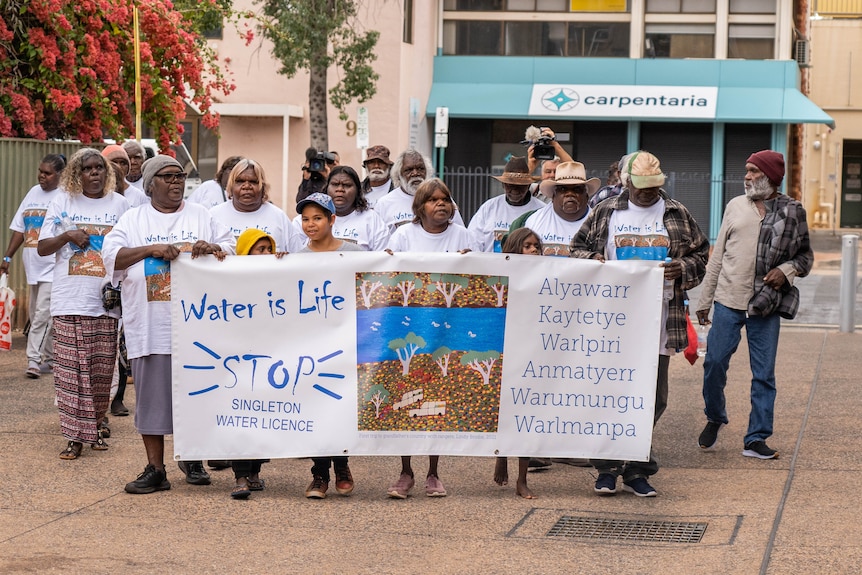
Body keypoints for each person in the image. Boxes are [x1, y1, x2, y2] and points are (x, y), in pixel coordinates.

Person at [570, 150, 709, 497]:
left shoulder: (676, 212)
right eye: (641, 187)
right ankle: (607, 469)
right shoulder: (606, 211)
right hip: (612, 323)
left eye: (653, 188)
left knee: (653, 398)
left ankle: (636, 469)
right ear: (627, 181)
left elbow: (701, 254)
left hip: (661, 320)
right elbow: (577, 250)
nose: (647, 194)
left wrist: (683, 268)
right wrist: (596, 261)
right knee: (610, 396)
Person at [102, 154, 234, 494]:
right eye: (168, 176)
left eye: (180, 176)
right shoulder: (133, 219)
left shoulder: (203, 216)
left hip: (200, 327)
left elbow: (233, 249)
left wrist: (215, 247)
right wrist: (150, 250)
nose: (176, 182)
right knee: (153, 400)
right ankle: (156, 469)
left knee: (201, 396)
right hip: (152, 326)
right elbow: (111, 257)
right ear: (150, 184)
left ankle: (193, 458)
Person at [695, 150, 813, 460]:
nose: (746, 177)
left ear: (771, 177)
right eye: (746, 171)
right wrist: (705, 300)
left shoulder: (792, 212)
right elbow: (717, 256)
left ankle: (756, 437)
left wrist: (785, 271)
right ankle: (715, 416)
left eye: (753, 172)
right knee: (714, 364)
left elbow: (805, 257)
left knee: (764, 374)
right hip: (728, 301)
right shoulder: (735, 206)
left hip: (766, 304)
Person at [385, 178, 479, 499]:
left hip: (446, 332)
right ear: (419, 207)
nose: (441, 204)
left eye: (446, 199)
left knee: (438, 401)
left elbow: (478, 276)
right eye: (433, 200)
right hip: (410, 329)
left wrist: (471, 262)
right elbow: (387, 275)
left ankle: (434, 473)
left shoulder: (463, 236)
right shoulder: (402, 236)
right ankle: (406, 471)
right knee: (408, 400)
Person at [37, 148, 131, 460]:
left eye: (99, 169)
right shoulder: (62, 201)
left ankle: (95, 426)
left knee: (101, 372)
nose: (94, 174)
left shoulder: (120, 205)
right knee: (69, 374)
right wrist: (67, 236)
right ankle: (74, 438)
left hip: (106, 302)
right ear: (77, 174)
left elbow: (129, 250)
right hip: (68, 301)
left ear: (108, 173)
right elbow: (42, 247)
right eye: (88, 169)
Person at [295, 192, 363, 499]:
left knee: (341, 404)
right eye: (306, 219)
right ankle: (319, 473)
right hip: (311, 345)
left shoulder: (355, 252)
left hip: (346, 342)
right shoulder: (296, 257)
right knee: (316, 406)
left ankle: (342, 465)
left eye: (318, 218)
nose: (311, 224)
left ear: (332, 220)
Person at [1, 154, 66, 378]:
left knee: (42, 315)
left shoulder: (64, 197)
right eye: (40, 171)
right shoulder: (32, 193)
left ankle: (33, 360)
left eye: (47, 173)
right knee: (36, 313)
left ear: (60, 175)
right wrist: (7, 258)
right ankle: (52, 358)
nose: (42, 176)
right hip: (33, 267)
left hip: (53, 266)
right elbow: (20, 228)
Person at [228, 228, 278, 500]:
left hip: (268, 361)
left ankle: (256, 471)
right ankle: (240, 476)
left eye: (269, 248)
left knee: (262, 418)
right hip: (239, 361)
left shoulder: (276, 279)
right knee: (240, 419)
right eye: (260, 250)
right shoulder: (232, 281)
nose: (266, 254)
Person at [493, 227, 543, 498]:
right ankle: (501, 455)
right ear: (514, 249)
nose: (533, 250)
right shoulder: (500, 274)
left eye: (536, 246)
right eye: (527, 246)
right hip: (503, 349)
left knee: (526, 412)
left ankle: (522, 478)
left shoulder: (546, 276)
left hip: (531, 351)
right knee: (503, 407)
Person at [210, 159, 304, 253]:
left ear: (263, 187)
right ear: (231, 186)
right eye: (240, 181)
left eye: (253, 182)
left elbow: (298, 257)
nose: (246, 186)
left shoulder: (279, 217)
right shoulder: (213, 215)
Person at [509, 161, 600, 257]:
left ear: (586, 195)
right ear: (553, 195)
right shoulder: (533, 221)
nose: (570, 194)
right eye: (563, 189)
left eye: (577, 189)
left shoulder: (599, 224)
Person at [468, 156, 546, 252]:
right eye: (510, 185)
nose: (515, 190)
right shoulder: (489, 208)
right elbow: (473, 241)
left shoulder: (542, 210)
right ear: (503, 185)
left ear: (529, 185)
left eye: (520, 186)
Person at [374, 149, 465, 230]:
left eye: (420, 169)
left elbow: (459, 232)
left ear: (427, 171)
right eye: (408, 170)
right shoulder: (384, 204)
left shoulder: (441, 199)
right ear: (398, 175)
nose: (415, 173)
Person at [319, 165, 390, 250]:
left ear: (357, 191)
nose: (340, 189)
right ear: (326, 188)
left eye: (347, 185)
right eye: (335, 184)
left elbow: (382, 258)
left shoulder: (372, 219)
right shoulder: (309, 219)